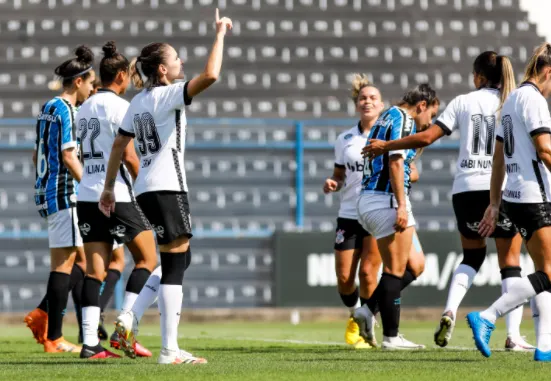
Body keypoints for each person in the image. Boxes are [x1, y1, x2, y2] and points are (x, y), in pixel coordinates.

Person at [362, 52, 533, 351]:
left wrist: (389, 145)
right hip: (500, 188)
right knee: (510, 263)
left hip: (464, 189)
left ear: (478, 77)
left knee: (472, 258)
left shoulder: (463, 102)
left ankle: (450, 310)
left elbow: (427, 137)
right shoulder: (515, 100)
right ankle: (513, 336)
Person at [99, 9, 233, 365]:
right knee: (175, 265)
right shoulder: (167, 95)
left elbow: (117, 145)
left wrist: (110, 188)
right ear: (162, 69)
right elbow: (212, 74)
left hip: (144, 189)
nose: (180, 61)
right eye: (175, 57)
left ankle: (130, 317)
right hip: (168, 186)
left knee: (180, 259)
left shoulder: (137, 102)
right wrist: (219, 34)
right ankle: (170, 350)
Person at [76, 41, 158, 359]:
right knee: (148, 260)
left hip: (87, 194)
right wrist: (146, 188)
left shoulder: (84, 107)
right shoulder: (122, 108)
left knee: (95, 271)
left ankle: (89, 344)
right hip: (118, 195)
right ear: (122, 75)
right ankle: (125, 329)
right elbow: (129, 156)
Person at [470, 42, 551, 361]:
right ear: (548, 71)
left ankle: (544, 346)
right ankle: (488, 315)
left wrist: (494, 202)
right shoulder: (533, 100)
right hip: (535, 195)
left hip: (516, 196)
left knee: (543, 270)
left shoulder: (512, 99)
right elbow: (544, 149)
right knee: (547, 272)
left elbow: (498, 157)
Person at [356, 84, 439, 350]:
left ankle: (368, 309)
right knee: (394, 269)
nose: (430, 122)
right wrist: (401, 205)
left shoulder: (388, 115)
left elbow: (400, 163)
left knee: (415, 265)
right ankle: (391, 337)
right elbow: (394, 161)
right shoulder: (404, 119)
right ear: (422, 106)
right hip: (386, 199)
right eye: (432, 115)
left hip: (371, 198)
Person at [28, 45, 95, 353]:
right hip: (64, 194)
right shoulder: (68, 110)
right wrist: (92, 187)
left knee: (77, 262)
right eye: (91, 83)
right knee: (67, 265)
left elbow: (35, 153)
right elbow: (69, 155)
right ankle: (52, 332)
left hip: (46, 191)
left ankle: (46, 319)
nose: (92, 89)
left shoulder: (47, 107)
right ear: (78, 81)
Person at [323, 74, 384, 348]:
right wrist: (333, 183)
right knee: (345, 278)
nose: (367, 102)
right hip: (348, 213)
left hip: (375, 212)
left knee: (369, 273)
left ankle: (369, 327)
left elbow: (410, 171)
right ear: (356, 104)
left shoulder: (390, 137)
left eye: (372, 98)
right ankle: (355, 316)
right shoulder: (345, 139)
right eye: (363, 98)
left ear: (381, 105)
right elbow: (339, 175)